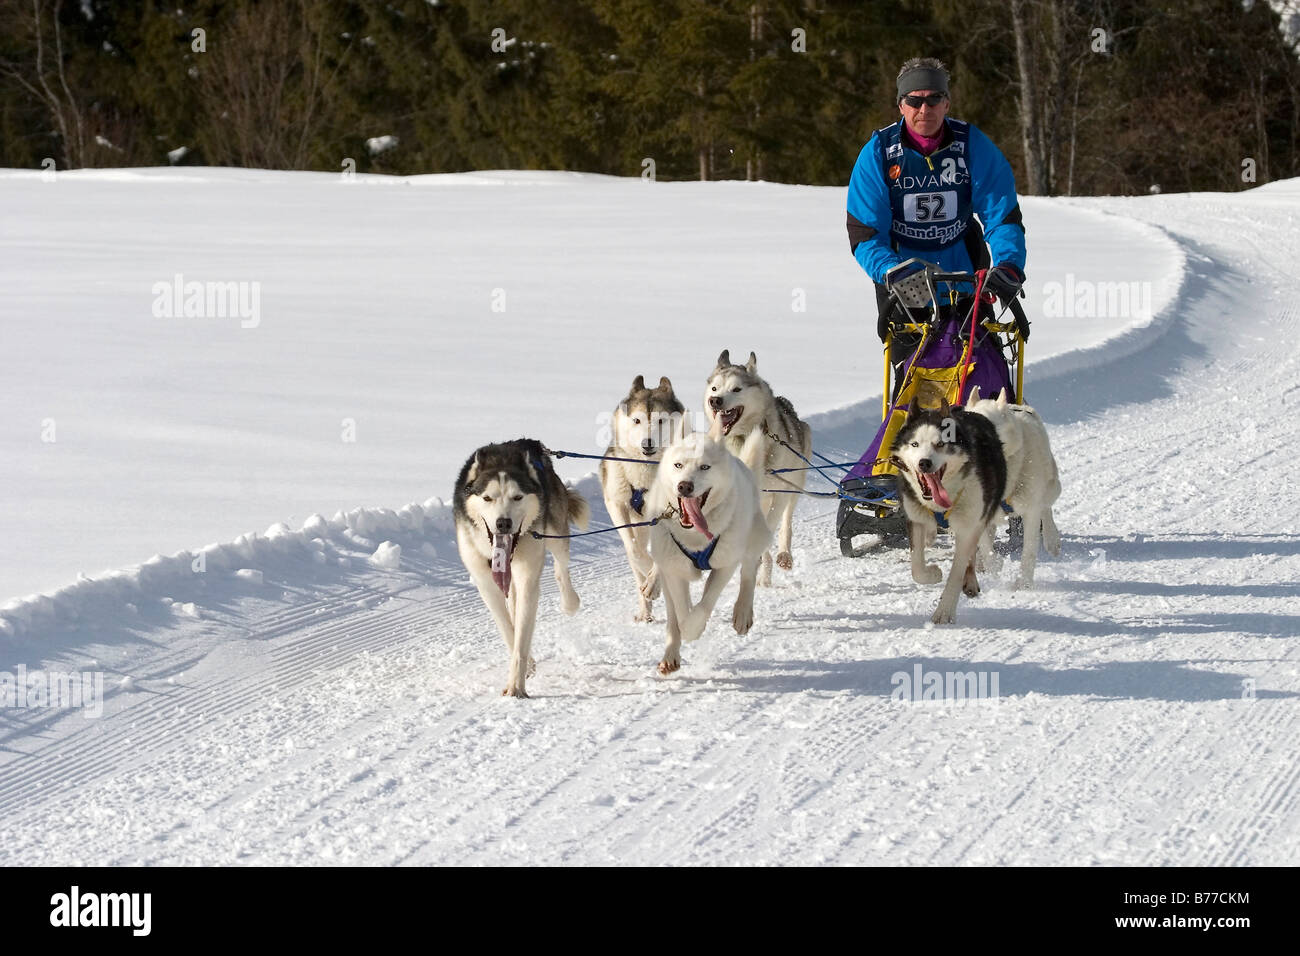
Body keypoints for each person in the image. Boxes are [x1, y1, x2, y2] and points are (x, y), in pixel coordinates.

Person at [846, 57, 1027, 399]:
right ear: (901, 104)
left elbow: (1002, 214)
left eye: (932, 99)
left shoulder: (971, 145)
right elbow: (865, 234)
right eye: (914, 100)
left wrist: (1008, 265)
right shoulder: (879, 153)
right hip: (905, 283)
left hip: (967, 276)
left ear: (946, 102)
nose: (923, 108)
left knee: (983, 374)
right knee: (915, 384)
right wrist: (892, 272)